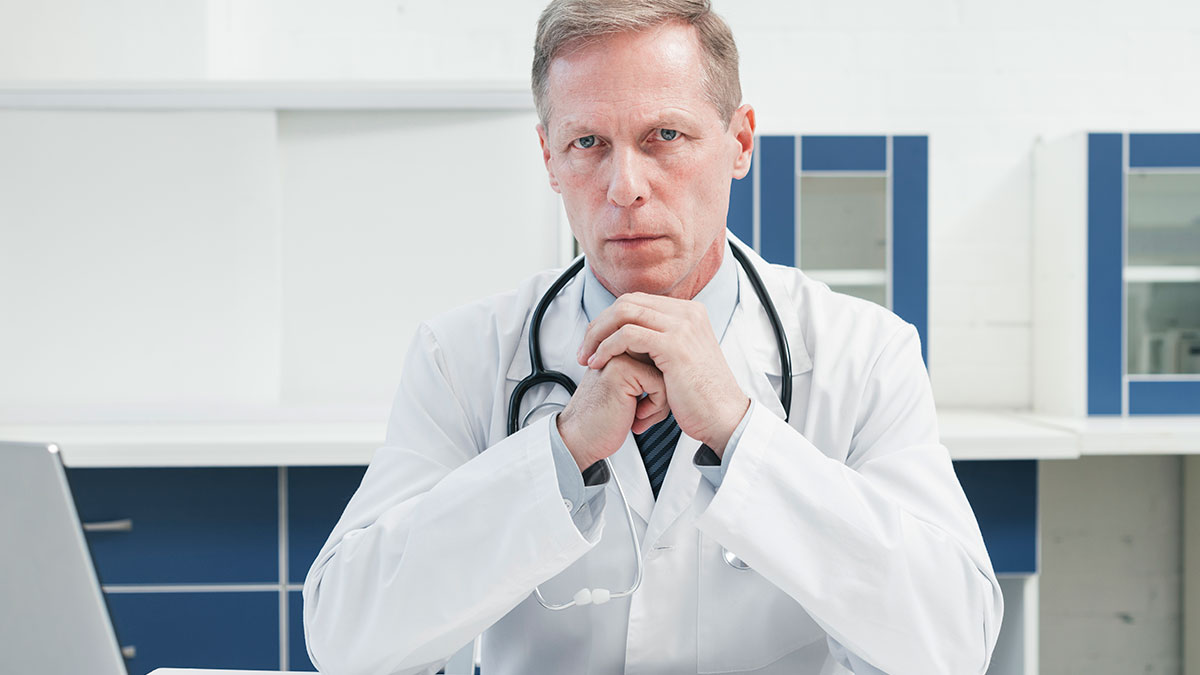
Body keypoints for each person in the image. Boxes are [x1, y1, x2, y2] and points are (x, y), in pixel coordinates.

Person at [303, 1, 1003, 673]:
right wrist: (559, 451)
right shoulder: (461, 357)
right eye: (588, 144)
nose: (624, 186)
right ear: (549, 158)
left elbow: (951, 643)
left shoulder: (866, 353)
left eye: (664, 136)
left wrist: (740, 431)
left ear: (740, 142)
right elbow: (346, 638)